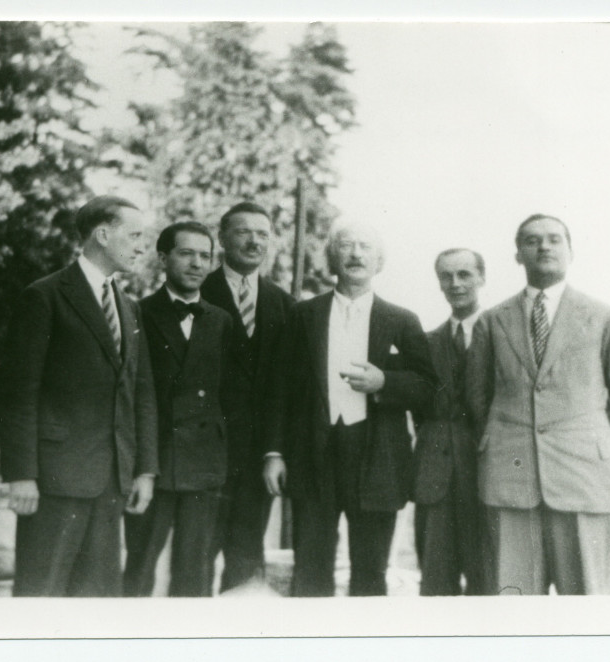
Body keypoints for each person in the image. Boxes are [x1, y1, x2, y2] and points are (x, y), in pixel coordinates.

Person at [466, 214, 610, 595]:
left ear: (570, 251)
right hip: (510, 478)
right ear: (518, 255)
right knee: (512, 603)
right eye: (532, 241)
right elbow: (477, 399)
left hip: (583, 478)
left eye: (553, 239)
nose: (544, 246)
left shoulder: (604, 318)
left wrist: (589, 438)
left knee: (585, 605)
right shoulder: (491, 322)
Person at [0, 195, 158, 597]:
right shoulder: (45, 296)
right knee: (41, 594)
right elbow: (19, 393)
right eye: (135, 235)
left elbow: (141, 393)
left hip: (111, 483)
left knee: (98, 602)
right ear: (102, 235)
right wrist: (21, 474)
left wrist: (144, 470)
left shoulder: (129, 307)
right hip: (53, 481)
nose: (142, 246)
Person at [264, 223, 436, 597]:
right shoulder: (303, 315)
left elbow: (428, 388)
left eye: (365, 247)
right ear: (332, 258)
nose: (356, 253)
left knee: (371, 572)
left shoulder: (401, 320)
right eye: (346, 245)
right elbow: (280, 390)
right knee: (309, 568)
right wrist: (275, 453)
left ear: (379, 261)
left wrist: (385, 383)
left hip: (377, 458)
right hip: (313, 452)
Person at [123, 222, 235, 597]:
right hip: (155, 461)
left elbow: (232, 398)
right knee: (139, 568)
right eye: (186, 253)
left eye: (205, 256)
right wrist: (143, 466)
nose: (197, 264)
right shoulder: (137, 314)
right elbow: (133, 396)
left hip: (204, 464)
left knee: (196, 571)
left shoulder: (220, 321)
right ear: (163, 258)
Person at [200, 202, 294, 592]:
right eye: (243, 232)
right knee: (197, 555)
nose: (254, 241)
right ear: (221, 238)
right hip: (204, 453)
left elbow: (284, 387)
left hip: (257, 457)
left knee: (246, 558)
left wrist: (274, 450)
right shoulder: (196, 291)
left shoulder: (284, 304)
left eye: (262, 234)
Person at [413, 248, 488, 596]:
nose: (455, 283)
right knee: (435, 584)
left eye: (464, 274)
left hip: (487, 477)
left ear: (481, 279)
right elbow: (419, 410)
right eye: (447, 276)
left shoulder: (502, 336)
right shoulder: (425, 344)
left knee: (486, 581)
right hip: (435, 478)